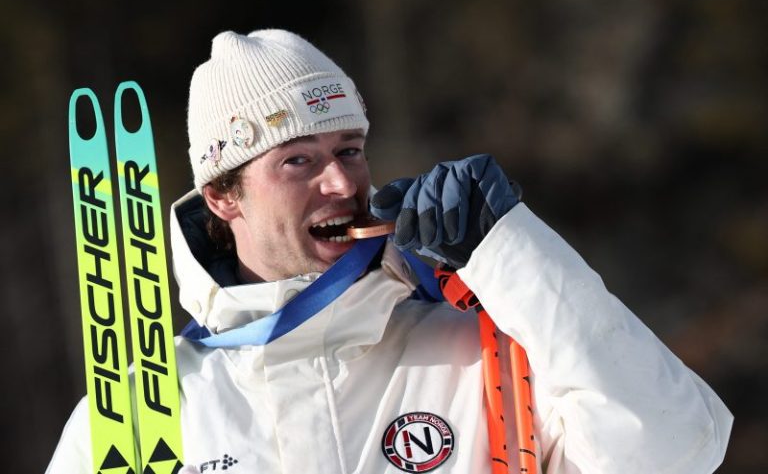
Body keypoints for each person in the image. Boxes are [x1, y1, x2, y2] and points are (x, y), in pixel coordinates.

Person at [47, 29, 733, 474]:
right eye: (298, 160)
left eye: (349, 149)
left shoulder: (484, 350)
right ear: (224, 196)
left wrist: (512, 250)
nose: (341, 182)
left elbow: (676, 451)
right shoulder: (143, 411)